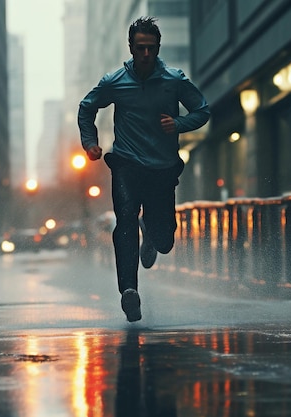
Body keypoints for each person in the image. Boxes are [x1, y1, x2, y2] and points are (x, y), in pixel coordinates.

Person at [78, 16, 210, 322]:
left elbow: (202, 110)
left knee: (165, 241)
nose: (146, 54)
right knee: (124, 220)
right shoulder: (115, 81)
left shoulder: (174, 80)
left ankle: (151, 235)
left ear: (158, 47)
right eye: (140, 48)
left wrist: (178, 124)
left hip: (162, 169)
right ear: (131, 48)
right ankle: (129, 292)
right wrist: (90, 143)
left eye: (151, 48)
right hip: (126, 164)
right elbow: (87, 107)